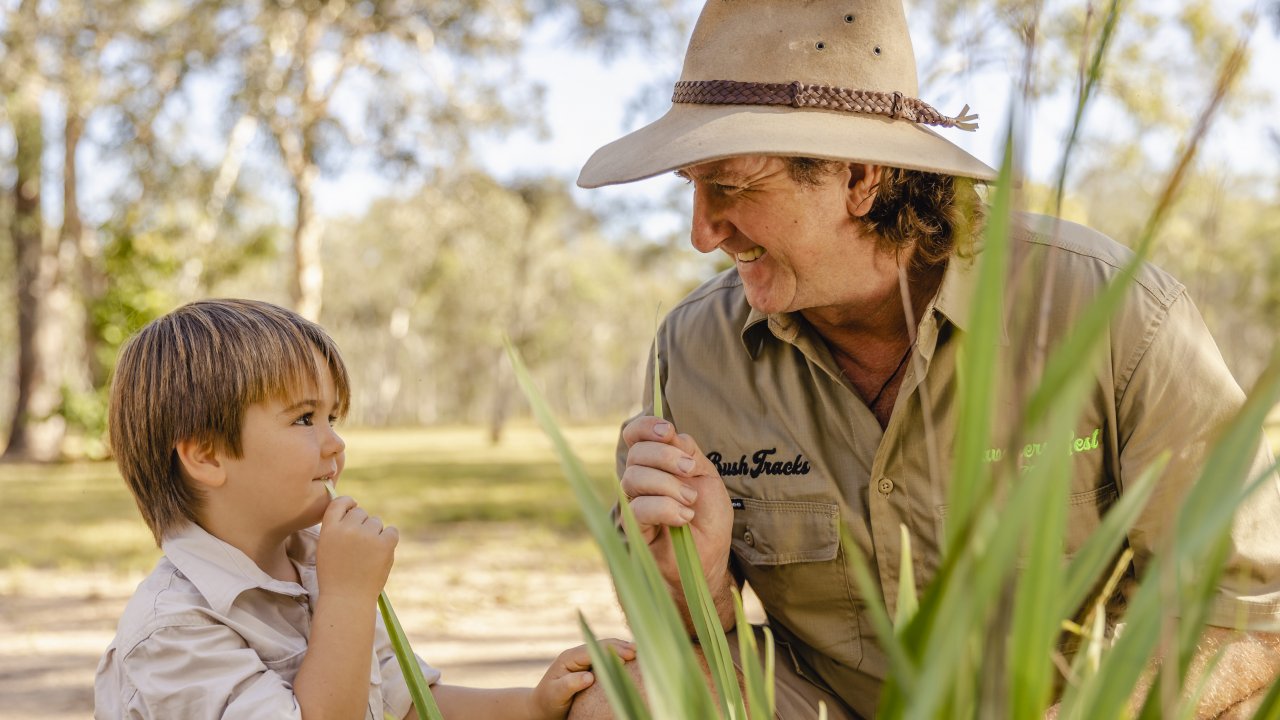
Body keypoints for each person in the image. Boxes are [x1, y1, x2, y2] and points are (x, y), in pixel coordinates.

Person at [569, 1, 1280, 718]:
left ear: (859, 178)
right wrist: (694, 586)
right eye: (689, 186)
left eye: (730, 185)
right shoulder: (694, 352)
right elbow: (696, 649)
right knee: (616, 699)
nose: (701, 232)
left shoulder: (1111, 312)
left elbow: (1246, 614)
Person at [94, 298, 632, 719]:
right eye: (305, 419)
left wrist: (532, 706)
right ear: (207, 455)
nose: (334, 444)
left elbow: (408, 703)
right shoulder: (173, 631)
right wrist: (349, 597)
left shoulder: (316, 565)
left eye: (335, 419)